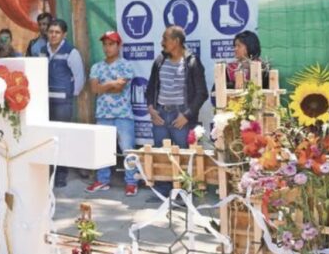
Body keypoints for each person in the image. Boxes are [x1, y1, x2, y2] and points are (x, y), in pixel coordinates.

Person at [145, 26, 209, 197]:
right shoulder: (159, 60)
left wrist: (187, 115)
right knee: (161, 154)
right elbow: (150, 88)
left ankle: (183, 194)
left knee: (183, 155)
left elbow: (202, 93)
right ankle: (162, 192)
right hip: (160, 115)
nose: (162, 43)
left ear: (176, 41)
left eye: (165, 39)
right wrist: (151, 108)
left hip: (180, 117)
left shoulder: (192, 62)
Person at [86, 31, 139, 197]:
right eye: (105, 44)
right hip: (103, 114)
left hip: (123, 114)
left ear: (118, 46)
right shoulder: (96, 67)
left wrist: (105, 85)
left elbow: (120, 88)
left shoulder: (125, 65)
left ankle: (131, 182)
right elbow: (95, 89)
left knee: (128, 150)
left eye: (111, 44)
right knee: (102, 149)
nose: (107, 48)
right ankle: (103, 180)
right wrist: (111, 83)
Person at [41, 19, 86, 188]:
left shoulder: (71, 52)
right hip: (44, 103)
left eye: (57, 32)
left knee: (61, 139)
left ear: (64, 34)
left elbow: (79, 77)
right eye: (51, 31)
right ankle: (47, 172)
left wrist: (70, 95)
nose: (53, 35)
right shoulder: (41, 50)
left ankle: (61, 175)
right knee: (46, 138)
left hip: (63, 103)